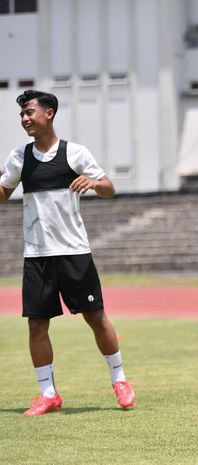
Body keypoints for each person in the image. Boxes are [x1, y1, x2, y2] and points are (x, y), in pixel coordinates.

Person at [0, 90, 136, 416]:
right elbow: (3, 194)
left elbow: (109, 188)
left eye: (30, 112)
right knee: (36, 325)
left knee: (96, 317)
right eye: (21, 114)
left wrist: (92, 182)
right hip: (37, 255)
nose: (24, 119)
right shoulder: (19, 157)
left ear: (49, 113)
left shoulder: (74, 153)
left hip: (74, 252)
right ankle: (48, 393)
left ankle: (119, 379)